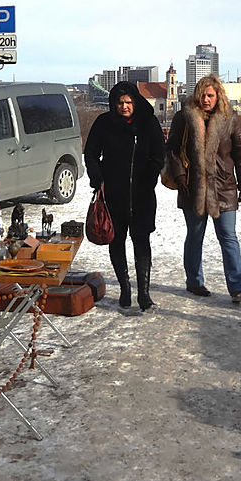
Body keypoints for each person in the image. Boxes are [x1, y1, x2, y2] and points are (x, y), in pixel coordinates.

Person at [165, 75, 241, 302]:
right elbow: (172, 150)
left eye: (210, 95)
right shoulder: (184, 117)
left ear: (218, 96)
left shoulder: (229, 119)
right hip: (191, 187)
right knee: (194, 236)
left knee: (229, 237)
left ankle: (237, 288)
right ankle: (194, 282)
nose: (205, 99)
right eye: (202, 95)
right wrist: (181, 176)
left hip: (223, 187)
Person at [85, 82, 165, 311]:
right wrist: (97, 176)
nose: (124, 107)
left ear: (135, 102)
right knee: (116, 241)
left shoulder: (148, 122)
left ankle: (144, 293)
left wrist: (150, 177)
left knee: (141, 242)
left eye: (128, 102)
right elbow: (90, 152)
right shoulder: (104, 123)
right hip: (113, 195)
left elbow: (159, 154)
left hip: (142, 195)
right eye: (120, 103)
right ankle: (124, 288)